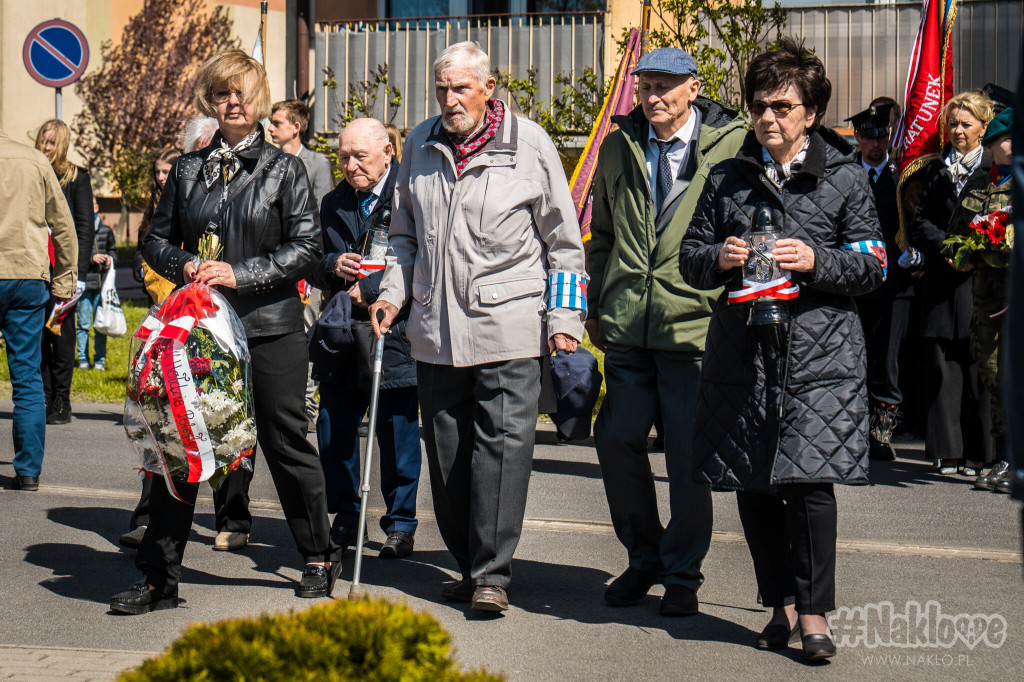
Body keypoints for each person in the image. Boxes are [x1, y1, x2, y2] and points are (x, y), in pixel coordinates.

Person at [111, 49, 342, 615]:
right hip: (199, 332)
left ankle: (316, 554)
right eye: (221, 93)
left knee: (285, 441)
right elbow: (153, 241)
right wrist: (185, 264)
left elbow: (308, 250)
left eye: (241, 92)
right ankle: (159, 576)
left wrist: (242, 273)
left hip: (269, 327)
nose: (232, 102)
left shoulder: (286, 170)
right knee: (181, 446)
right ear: (210, 102)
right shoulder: (189, 170)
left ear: (259, 99)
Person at [678, 38, 884, 661]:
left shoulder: (845, 177)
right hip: (743, 352)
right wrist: (719, 256)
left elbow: (873, 264)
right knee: (755, 483)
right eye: (760, 105)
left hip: (820, 357)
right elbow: (689, 258)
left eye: (784, 107)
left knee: (811, 486)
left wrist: (818, 260)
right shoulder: (727, 177)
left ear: (811, 113)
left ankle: (816, 614)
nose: (769, 117)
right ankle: (781, 605)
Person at [369, 41, 587, 613]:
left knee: (502, 450)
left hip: (509, 325)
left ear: (489, 88)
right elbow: (402, 237)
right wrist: (392, 295)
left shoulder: (530, 144)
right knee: (447, 456)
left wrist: (564, 322)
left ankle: (492, 573)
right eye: (441, 88)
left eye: (460, 88)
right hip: (435, 331)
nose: (449, 99)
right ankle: (467, 564)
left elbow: (565, 247)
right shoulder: (418, 142)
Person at [585, 47, 745, 616]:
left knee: (686, 456)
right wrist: (597, 303)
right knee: (616, 438)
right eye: (645, 85)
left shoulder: (731, 146)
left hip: (695, 326)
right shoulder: (618, 144)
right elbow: (601, 233)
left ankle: (682, 573)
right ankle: (643, 556)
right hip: (627, 322)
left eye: (665, 87)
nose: (653, 97)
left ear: (693, 88)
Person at [309, 117, 421, 559]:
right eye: (344, 157)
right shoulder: (334, 200)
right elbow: (312, 260)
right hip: (341, 331)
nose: (351, 165)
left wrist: (373, 289)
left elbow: (417, 258)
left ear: (388, 153)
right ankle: (346, 516)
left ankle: (400, 523)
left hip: (392, 329)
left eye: (361, 156)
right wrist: (333, 265)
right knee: (333, 428)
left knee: (396, 431)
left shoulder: (409, 194)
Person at [910, 92, 996, 476]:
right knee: (943, 368)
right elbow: (921, 219)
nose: (958, 130)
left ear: (983, 127)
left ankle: (981, 453)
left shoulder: (994, 170)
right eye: (953, 124)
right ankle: (948, 451)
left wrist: (976, 252)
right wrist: (948, 248)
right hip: (943, 280)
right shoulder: (934, 169)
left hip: (980, 281)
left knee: (979, 370)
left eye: (966, 124)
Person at [0, 126, 78, 491]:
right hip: (28, 277)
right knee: (28, 377)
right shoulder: (33, 159)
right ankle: (28, 470)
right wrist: (63, 284)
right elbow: (63, 226)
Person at [945, 107, 1013, 491]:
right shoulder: (975, 188)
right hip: (987, 301)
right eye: (1007, 139)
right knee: (993, 375)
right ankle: (1003, 457)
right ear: (991, 145)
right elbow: (952, 242)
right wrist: (970, 253)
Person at [846, 101, 914, 460]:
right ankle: (853, 428)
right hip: (854, 282)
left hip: (893, 285)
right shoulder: (844, 174)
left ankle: (881, 431)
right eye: (869, 136)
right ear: (858, 138)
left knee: (887, 362)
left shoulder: (901, 176)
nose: (876, 143)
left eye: (882, 135)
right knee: (854, 357)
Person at [268, 98, 334, 429]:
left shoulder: (316, 164)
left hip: (303, 267)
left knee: (306, 331)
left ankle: (305, 404)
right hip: (270, 265)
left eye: (276, 122)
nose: (269, 127)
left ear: (296, 126)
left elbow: (321, 214)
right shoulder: (267, 163)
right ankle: (283, 400)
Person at [35, 119, 95, 426]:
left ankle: (62, 400)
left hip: (64, 272)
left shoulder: (75, 177)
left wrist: (79, 274)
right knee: (37, 336)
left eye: (51, 142)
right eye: (42, 141)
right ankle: (44, 397)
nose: (45, 147)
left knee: (60, 335)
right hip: (34, 268)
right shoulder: (32, 171)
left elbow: (83, 228)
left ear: (62, 145)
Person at [133, 147, 181, 307]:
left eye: (166, 172)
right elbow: (143, 240)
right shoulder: (154, 202)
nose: (160, 177)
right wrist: (140, 265)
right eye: (157, 172)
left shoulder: (184, 200)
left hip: (176, 278)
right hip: (152, 278)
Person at [76, 199, 117, 371]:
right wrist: (90, 259)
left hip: (101, 285)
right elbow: (73, 256)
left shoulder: (106, 231)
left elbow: (114, 251)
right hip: (84, 285)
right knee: (83, 324)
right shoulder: (79, 231)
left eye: (91, 205)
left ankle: (99, 360)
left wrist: (109, 259)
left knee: (101, 324)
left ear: (96, 208)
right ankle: (83, 359)